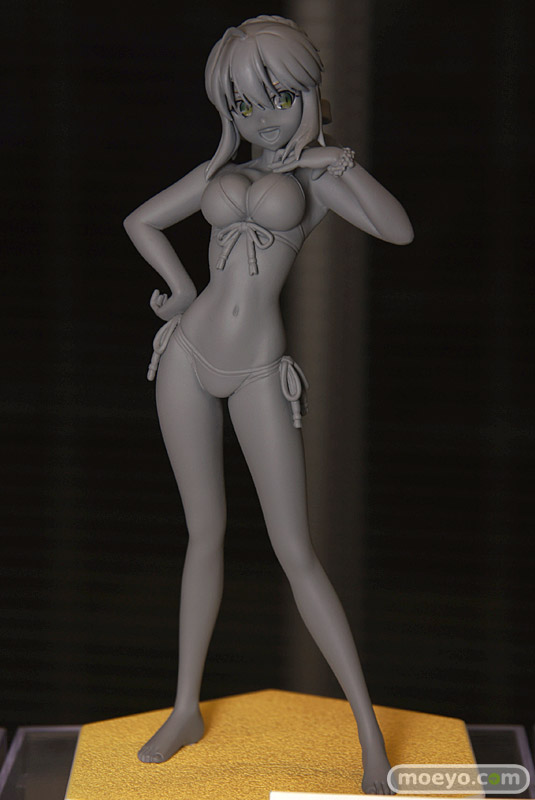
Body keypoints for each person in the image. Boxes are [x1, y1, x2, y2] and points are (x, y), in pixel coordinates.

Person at [124, 15, 413, 794]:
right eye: (242, 105)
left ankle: (367, 732)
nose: (261, 117)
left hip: (257, 369)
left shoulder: (318, 179)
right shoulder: (222, 169)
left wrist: (327, 158)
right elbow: (140, 221)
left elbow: (397, 230)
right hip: (187, 356)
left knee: (295, 550)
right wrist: (180, 291)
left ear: (311, 90)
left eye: (278, 97)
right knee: (203, 533)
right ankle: (185, 708)